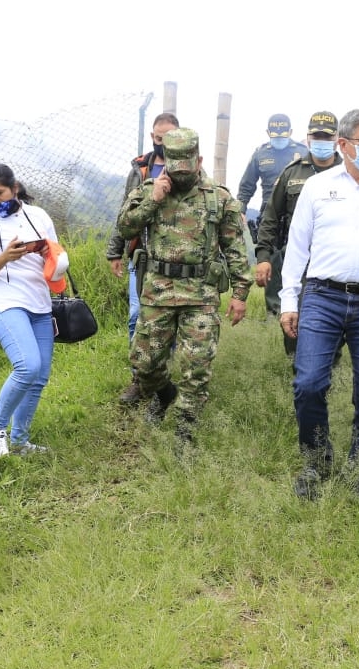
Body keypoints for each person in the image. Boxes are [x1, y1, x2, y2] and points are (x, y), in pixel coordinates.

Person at [280, 109, 359, 501]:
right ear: (343, 144)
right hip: (322, 297)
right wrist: (290, 299)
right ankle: (316, 465)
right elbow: (297, 246)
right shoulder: (318, 187)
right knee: (308, 384)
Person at [116, 127, 251, 446]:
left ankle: (185, 432)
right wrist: (153, 199)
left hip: (200, 295)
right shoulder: (150, 190)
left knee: (197, 366)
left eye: (185, 163)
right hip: (158, 292)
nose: (178, 171)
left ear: (199, 159)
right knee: (144, 364)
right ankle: (164, 394)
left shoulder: (219, 198)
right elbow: (125, 227)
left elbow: (235, 248)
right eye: (172, 163)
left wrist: (241, 293)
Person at [0, 163, 62, 457]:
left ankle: (20, 442)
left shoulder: (39, 217)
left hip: (41, 304)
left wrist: (49, 254)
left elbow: (57, 259)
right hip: (7, 304)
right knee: (27, 366)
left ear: (15, 188)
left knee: (40, 376)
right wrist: (5, 258)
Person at [106, 112, 179, 404]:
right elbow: (126, 211)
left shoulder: (188, 169)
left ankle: (164, 375)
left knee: (169, 320)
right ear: (152, 137)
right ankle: (140, 378)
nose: (162, 143)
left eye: (169, 138)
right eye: (158, 138)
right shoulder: (139, 169)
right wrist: (115, 250)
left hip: (175, 260)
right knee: (137, 317)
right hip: (143, 256)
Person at [254, 109, 343, 328]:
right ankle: (295, 360)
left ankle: (331, 361)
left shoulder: (348, 173)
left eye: (327, 137)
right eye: (316, 136)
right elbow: (271, 217)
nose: (321, 141)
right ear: (308, 138)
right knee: (293, 317)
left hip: (337, 260)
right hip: (298, 258)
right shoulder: (292, 173)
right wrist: (264, 256)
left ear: (337, 139)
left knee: (331, 322)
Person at [237, 113, 307, 213]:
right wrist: (240, 211)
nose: (279, 139)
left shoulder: (303, 152)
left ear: (290, 132)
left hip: (296, 210)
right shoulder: (260, 154)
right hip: (268, 210)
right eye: (275, 136)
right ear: (268, 133)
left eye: (282, 136)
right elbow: (246, 186)